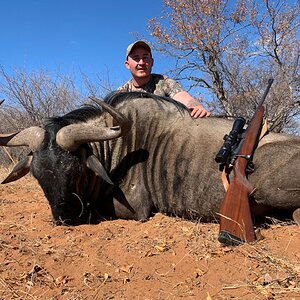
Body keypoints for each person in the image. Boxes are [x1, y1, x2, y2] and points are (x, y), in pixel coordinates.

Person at [118, 40, 210, 118]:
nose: (141, 62)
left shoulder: (164, 82)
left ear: (152, 62)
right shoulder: (121, 93)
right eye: (136, 58)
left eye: (145, 57)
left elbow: (183, 98)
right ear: (127, 64)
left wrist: (197, 107)